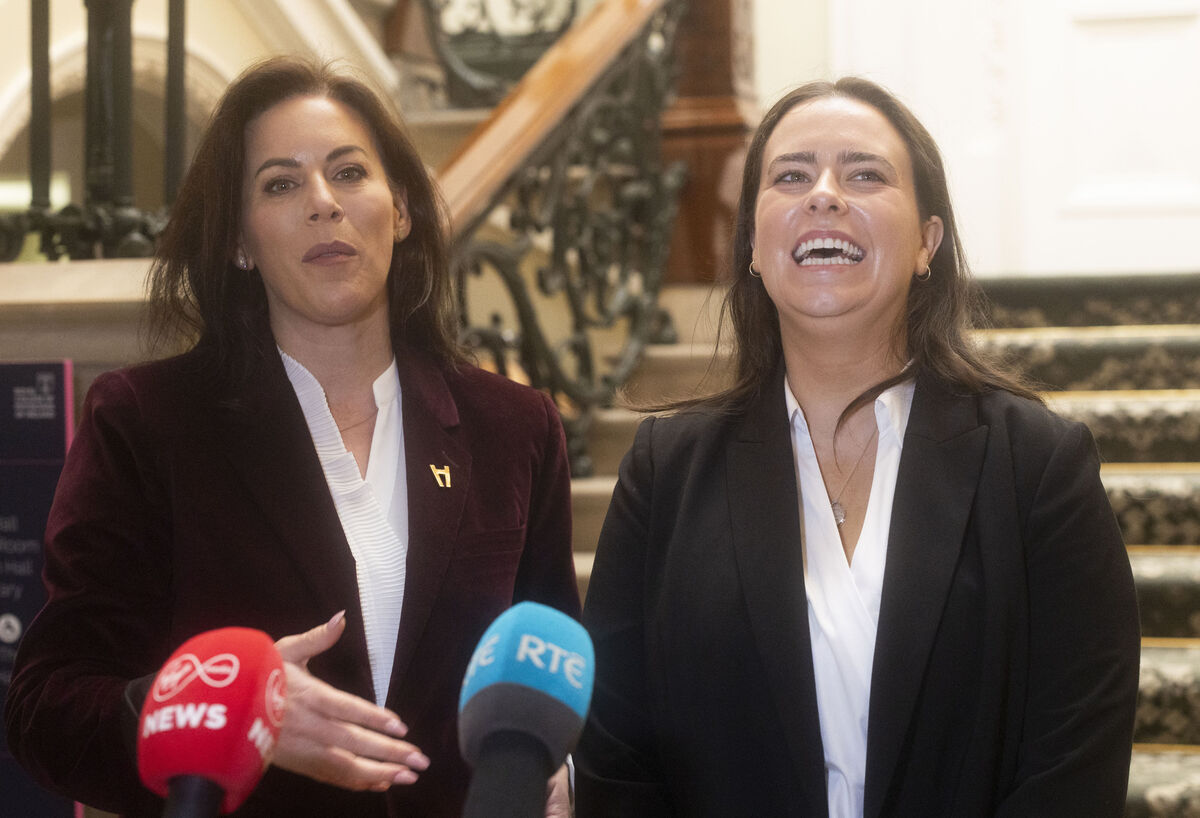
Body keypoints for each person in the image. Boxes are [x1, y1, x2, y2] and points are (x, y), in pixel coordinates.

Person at [4, 56, 579, 817]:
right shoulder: (148, 423)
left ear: (400, 208)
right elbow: (46, 707)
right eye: (280, 183)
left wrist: (568, 775)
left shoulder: (515, 426)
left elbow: (559, 666)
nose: (322, 203)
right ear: (239, 240)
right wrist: (224, 710)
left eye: (349, 172)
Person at [574, 77, 1140, 817]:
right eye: (791, 176)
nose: (825, 195)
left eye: (865, 174)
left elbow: (1077, 752)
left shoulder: (1038, 464)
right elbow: (616, 750)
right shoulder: (663, 472)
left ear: (926, 243)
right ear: (751, 243)